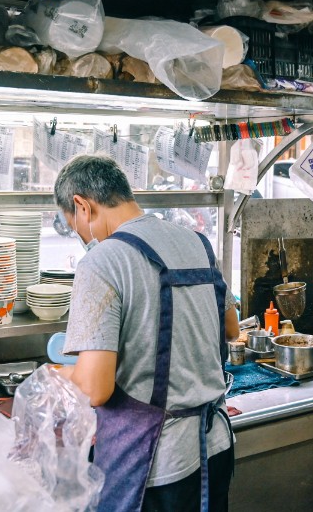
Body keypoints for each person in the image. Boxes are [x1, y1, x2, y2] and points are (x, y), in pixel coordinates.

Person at [53, 154, 239, 512]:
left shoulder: (102, 261)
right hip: (216, 447)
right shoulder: (197, 242)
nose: (80, 236)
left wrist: (57, 375)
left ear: (81, 206)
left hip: (159, 464)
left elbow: (95, 387)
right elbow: (230, 327)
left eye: (73, 225)